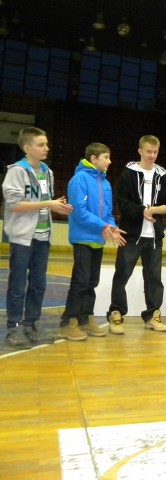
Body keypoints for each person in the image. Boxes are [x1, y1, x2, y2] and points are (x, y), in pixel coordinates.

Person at [2, 127, 73, 349]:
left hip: (43, 237)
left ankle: (31, 326)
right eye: (41, 144)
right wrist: (48, 204)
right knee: (17, 285)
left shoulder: (47, 171)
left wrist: (56, 207)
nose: (47, 148)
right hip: (23, 239)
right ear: (27, 148)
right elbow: (14, 205)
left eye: (46, 144)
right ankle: (13, 329)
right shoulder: (17, 172)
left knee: (38, 285)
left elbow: (41, 202)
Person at [58, 143, 127, 341]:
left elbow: (107, 212)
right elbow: (79, 212)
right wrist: (104, 227)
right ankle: (68, 321)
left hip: (98, 238)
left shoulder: (105, 183)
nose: (110, 161)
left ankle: (85, 319)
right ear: (94, 158)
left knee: (91, 282)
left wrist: (111, 226)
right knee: (80, 281)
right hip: (82, 238)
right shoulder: (78, 180)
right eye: (106, 157)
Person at [107, 135, 166, 335]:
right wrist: (142, 210)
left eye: (155, 152)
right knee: (122, 274)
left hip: (154, 236)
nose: (152, 155)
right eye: (148, 151)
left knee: (154, 278)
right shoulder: (128, 174)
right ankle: (116, 312)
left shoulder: (162, 176)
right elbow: (122, 202)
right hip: (131, 234)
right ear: (140, 151)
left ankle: (152, 314)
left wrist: (154, 210)